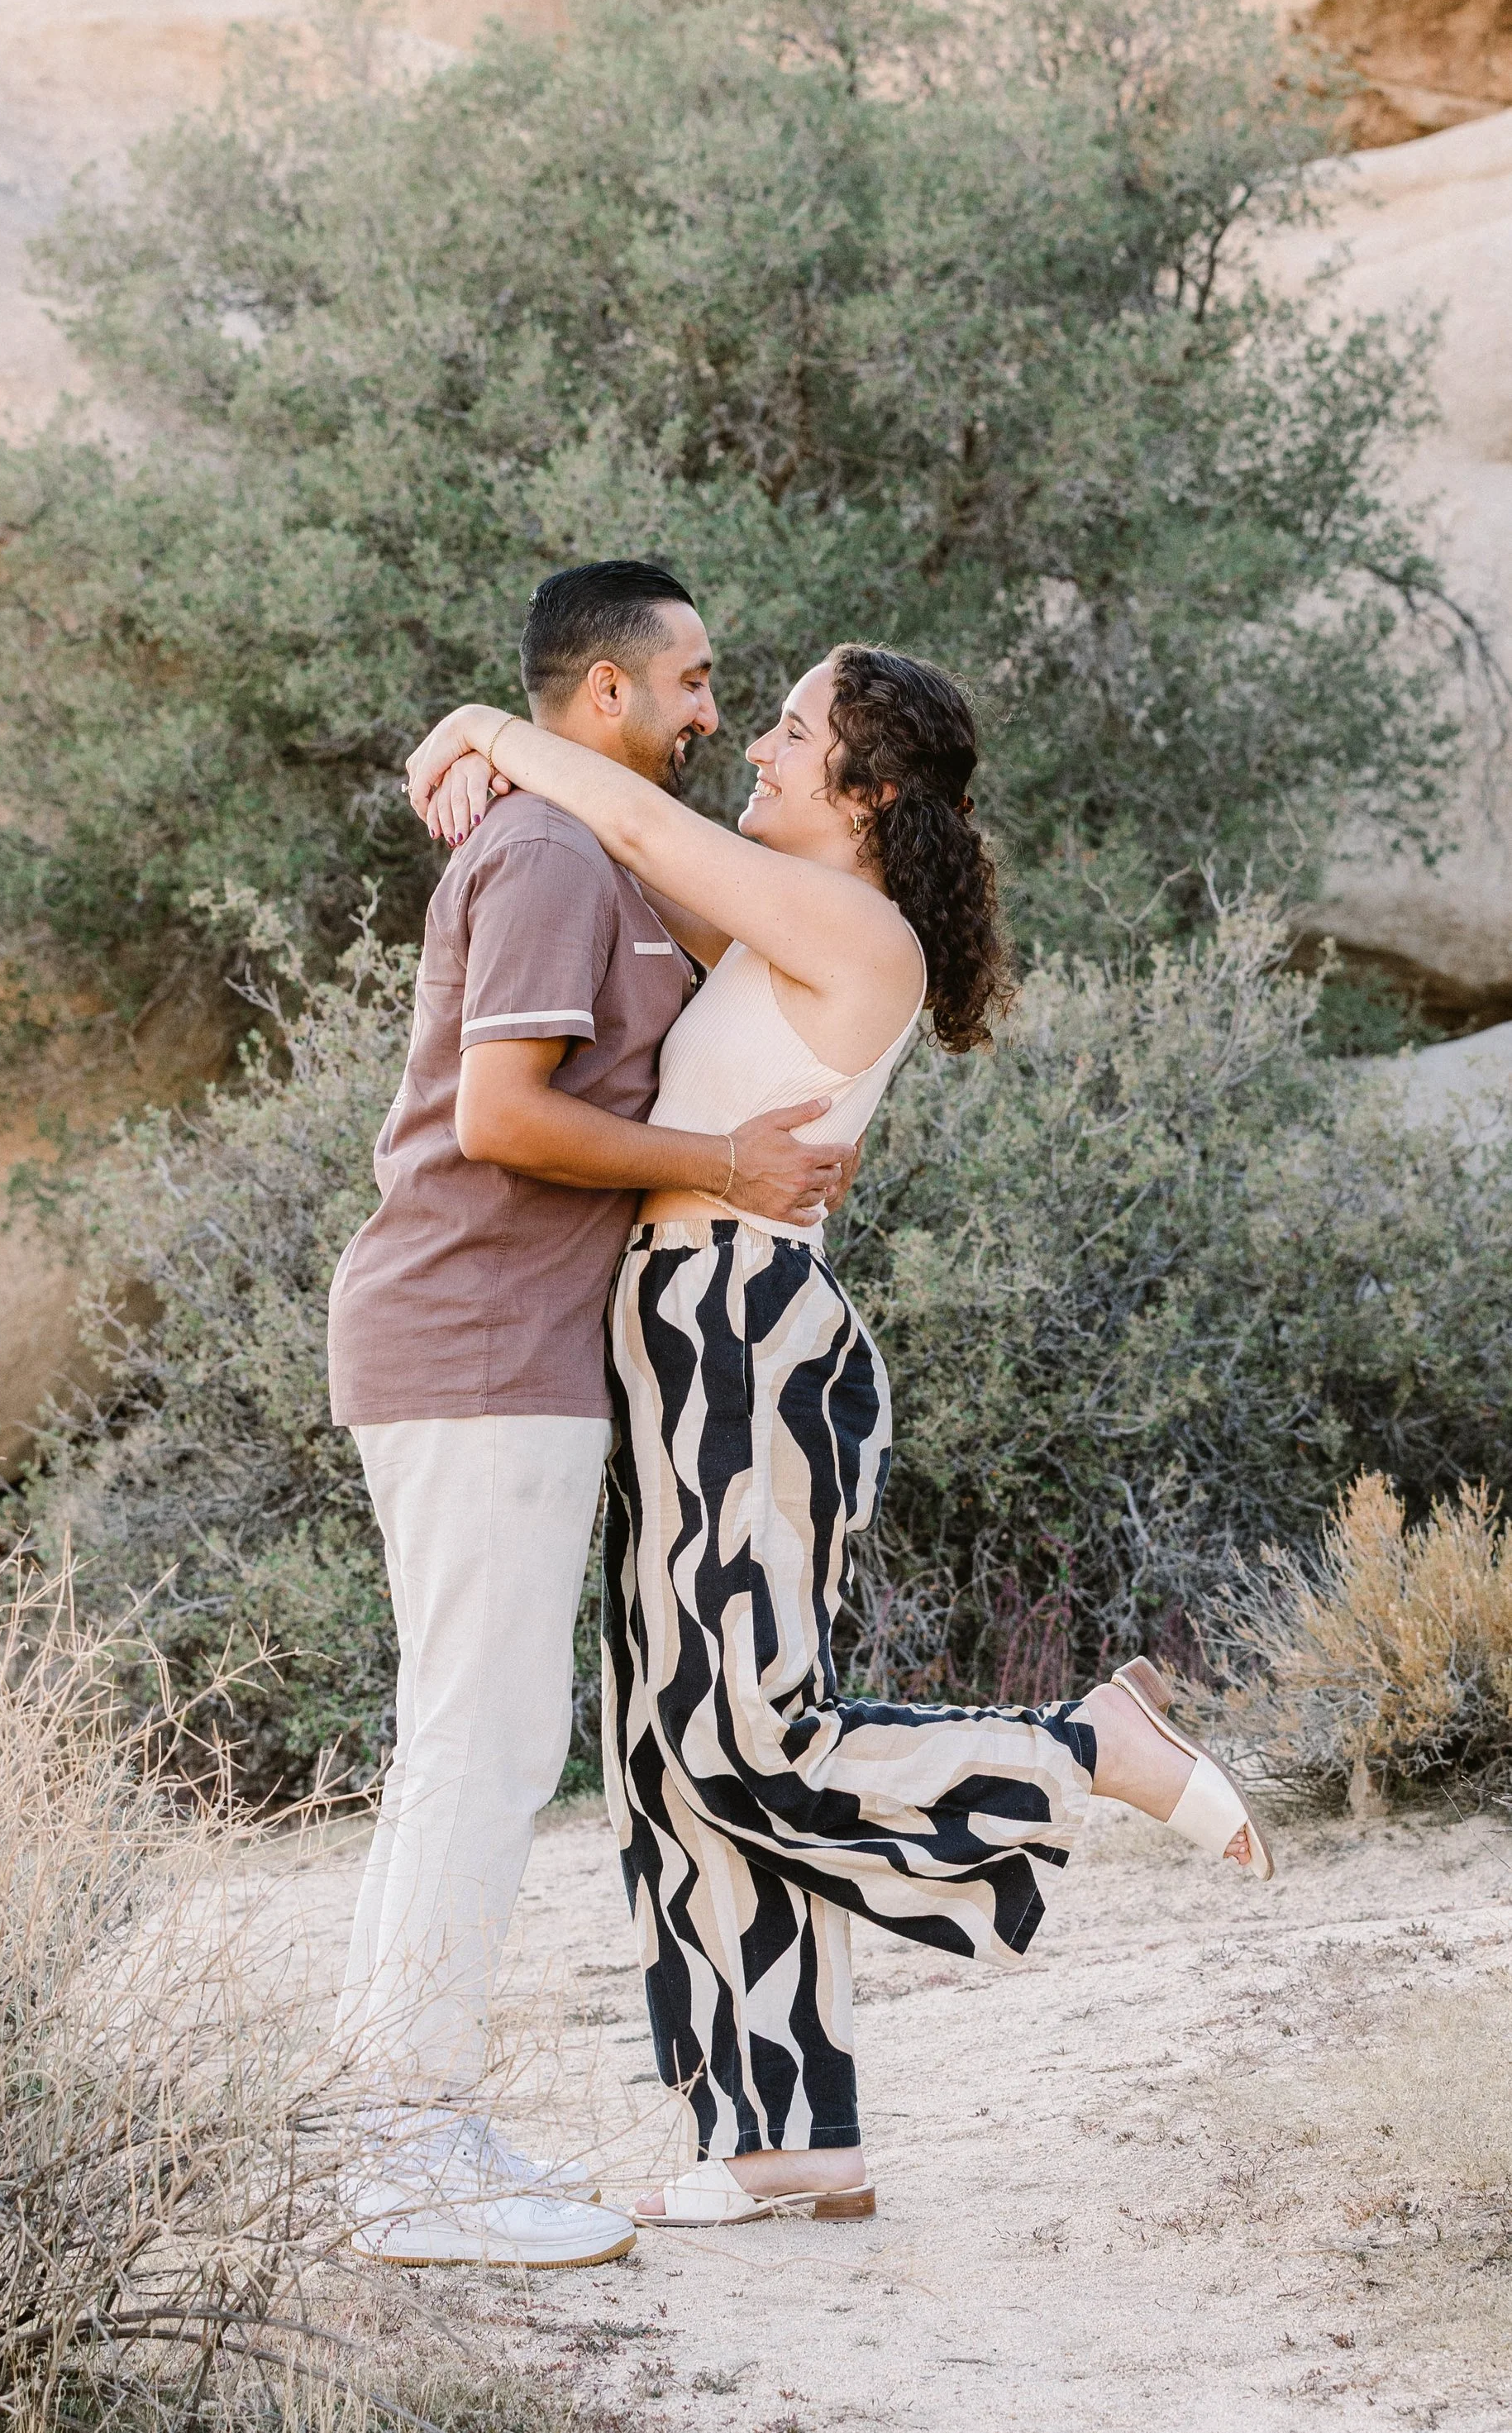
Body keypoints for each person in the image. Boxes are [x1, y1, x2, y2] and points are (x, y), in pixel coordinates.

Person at [404, 640, 1274, 2233]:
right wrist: (493, 773)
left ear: (868, 793)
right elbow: (623, 868)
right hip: (688, 1323)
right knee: (673, 1764)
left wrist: (481, 726)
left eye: (796, 733)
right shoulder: (798, 924)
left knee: (743, 1736)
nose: (759, 747)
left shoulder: (850, 921)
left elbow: (648, 833)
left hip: (735, 1331)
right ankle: (782, 2132)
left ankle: (1085, 1749)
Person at [327, 561, 863, 2270]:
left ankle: (387, 2117)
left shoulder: (596, 841)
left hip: (501, 1353)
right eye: (696, 679)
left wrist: (489, 733)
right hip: (476, 1344)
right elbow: (500, 1114)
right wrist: (720, 1163)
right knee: (480, 1752)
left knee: (466, 1744)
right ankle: (403, 2153)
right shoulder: (558, 854)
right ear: (610, 694)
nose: (717, 708)